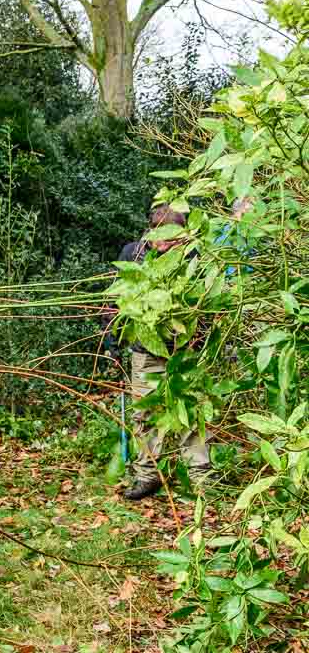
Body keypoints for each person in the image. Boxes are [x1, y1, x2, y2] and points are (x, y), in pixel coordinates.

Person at [121, 204, 211, 501]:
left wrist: (202, 339)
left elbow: (208, 306)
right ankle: (148, 476)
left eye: (178, 238)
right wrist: (112, 342)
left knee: (192, 416)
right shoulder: (134, 255)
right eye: (166, 238)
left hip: (186, 353)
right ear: (152, 233)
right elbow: (117, 302)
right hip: (146, 352)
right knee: (144, 414)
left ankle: (202, 480)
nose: (171, 245)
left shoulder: (195, 259)